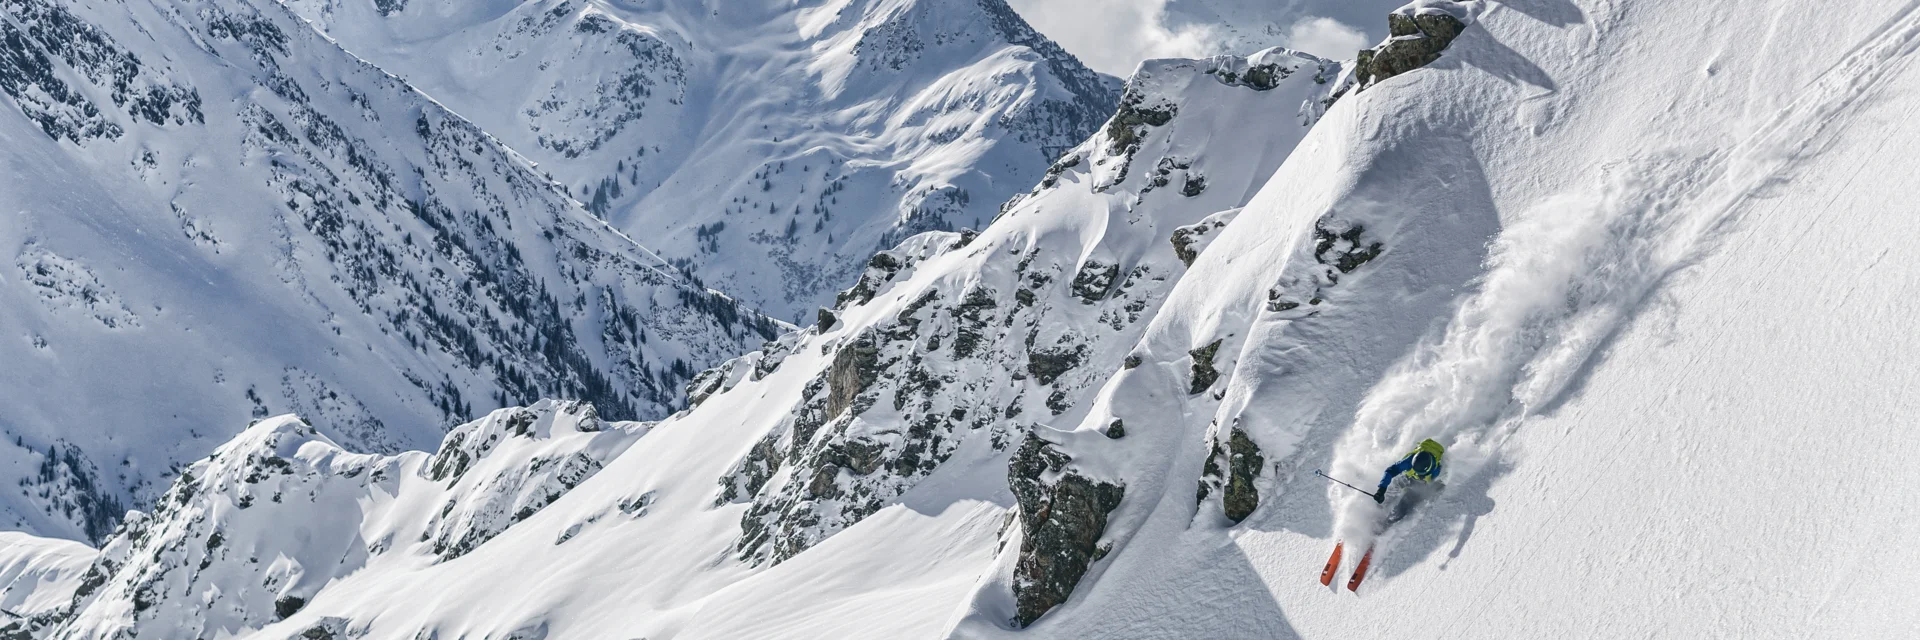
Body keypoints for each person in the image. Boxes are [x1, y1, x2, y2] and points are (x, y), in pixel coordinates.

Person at [1374, 438, 1445, 503]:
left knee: (1418, 490)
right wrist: (1381, 490)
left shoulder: (1436, 470)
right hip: (1409, 476)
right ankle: (1384, 501)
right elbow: (1390, 471)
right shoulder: (1408, 461)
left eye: (1421, 473)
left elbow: (1436, 482)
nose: (1418, 474)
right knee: (1398, 483)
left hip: (1422, 482)